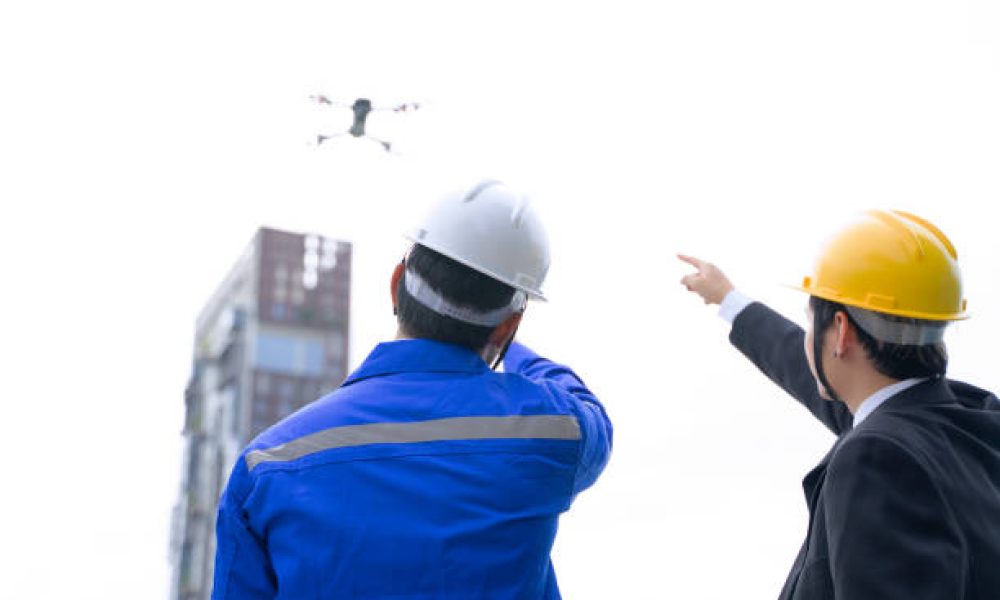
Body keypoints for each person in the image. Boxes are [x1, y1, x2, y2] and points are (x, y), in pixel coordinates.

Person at [211, 180, 613, 599]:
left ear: (396, 282)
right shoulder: (550, 432)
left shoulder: (267, 464)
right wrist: (505, 342)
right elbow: (585, 407)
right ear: (508, 325)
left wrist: (494, 329)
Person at [678, 210, 1000, 599]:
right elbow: (807, 371)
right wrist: (729, 301)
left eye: (812, 320)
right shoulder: (971, 420)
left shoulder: (877, 457)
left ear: (842, 331)